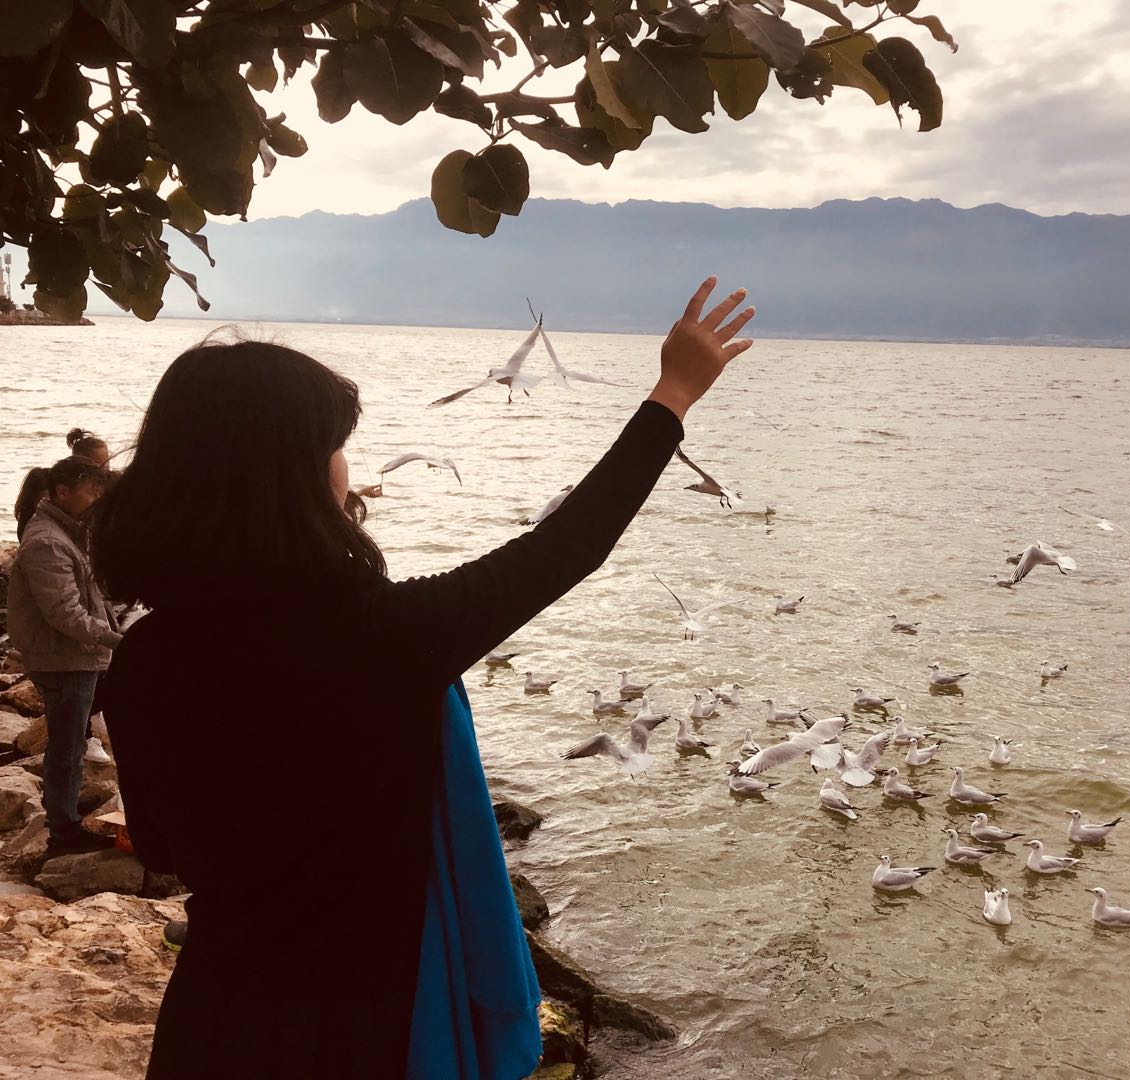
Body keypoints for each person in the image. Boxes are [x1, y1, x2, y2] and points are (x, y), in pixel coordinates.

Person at [90, 278, 754, 1080]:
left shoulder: (144, 656)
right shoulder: (382, 638)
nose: (346, 467)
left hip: (218, 1017)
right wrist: (673, 394)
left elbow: (162, 845)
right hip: (365, 1024)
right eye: (335, 447)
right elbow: (567, 545)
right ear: (294, 475)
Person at [8, 454, 124, 851]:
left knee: (71, 743)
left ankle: (65, 819)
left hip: (75, 655)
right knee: (67, 746)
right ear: (62, 492)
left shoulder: (68, 531)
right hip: (63, 659)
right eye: (90, 491)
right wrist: (117, 640)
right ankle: (64, 831)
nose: (96, 499)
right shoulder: (47, 541)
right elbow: (64, 613)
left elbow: (87, 596)